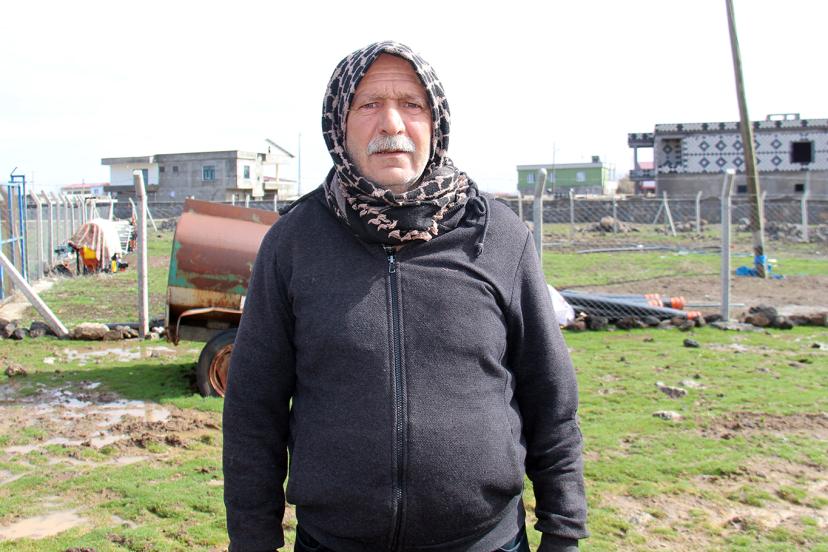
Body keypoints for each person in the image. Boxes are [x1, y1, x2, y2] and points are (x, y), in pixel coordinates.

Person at [223, 41, 588, 552]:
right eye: (369, 104)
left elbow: (551, 398)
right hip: (334, 543)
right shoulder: (292, 243)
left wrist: (563, 532)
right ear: (338, 124)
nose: (391, 123)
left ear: (435, 122)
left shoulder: (500, 237)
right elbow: (252, 409)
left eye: (411, 104)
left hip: (485, 541)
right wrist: (252, 540)